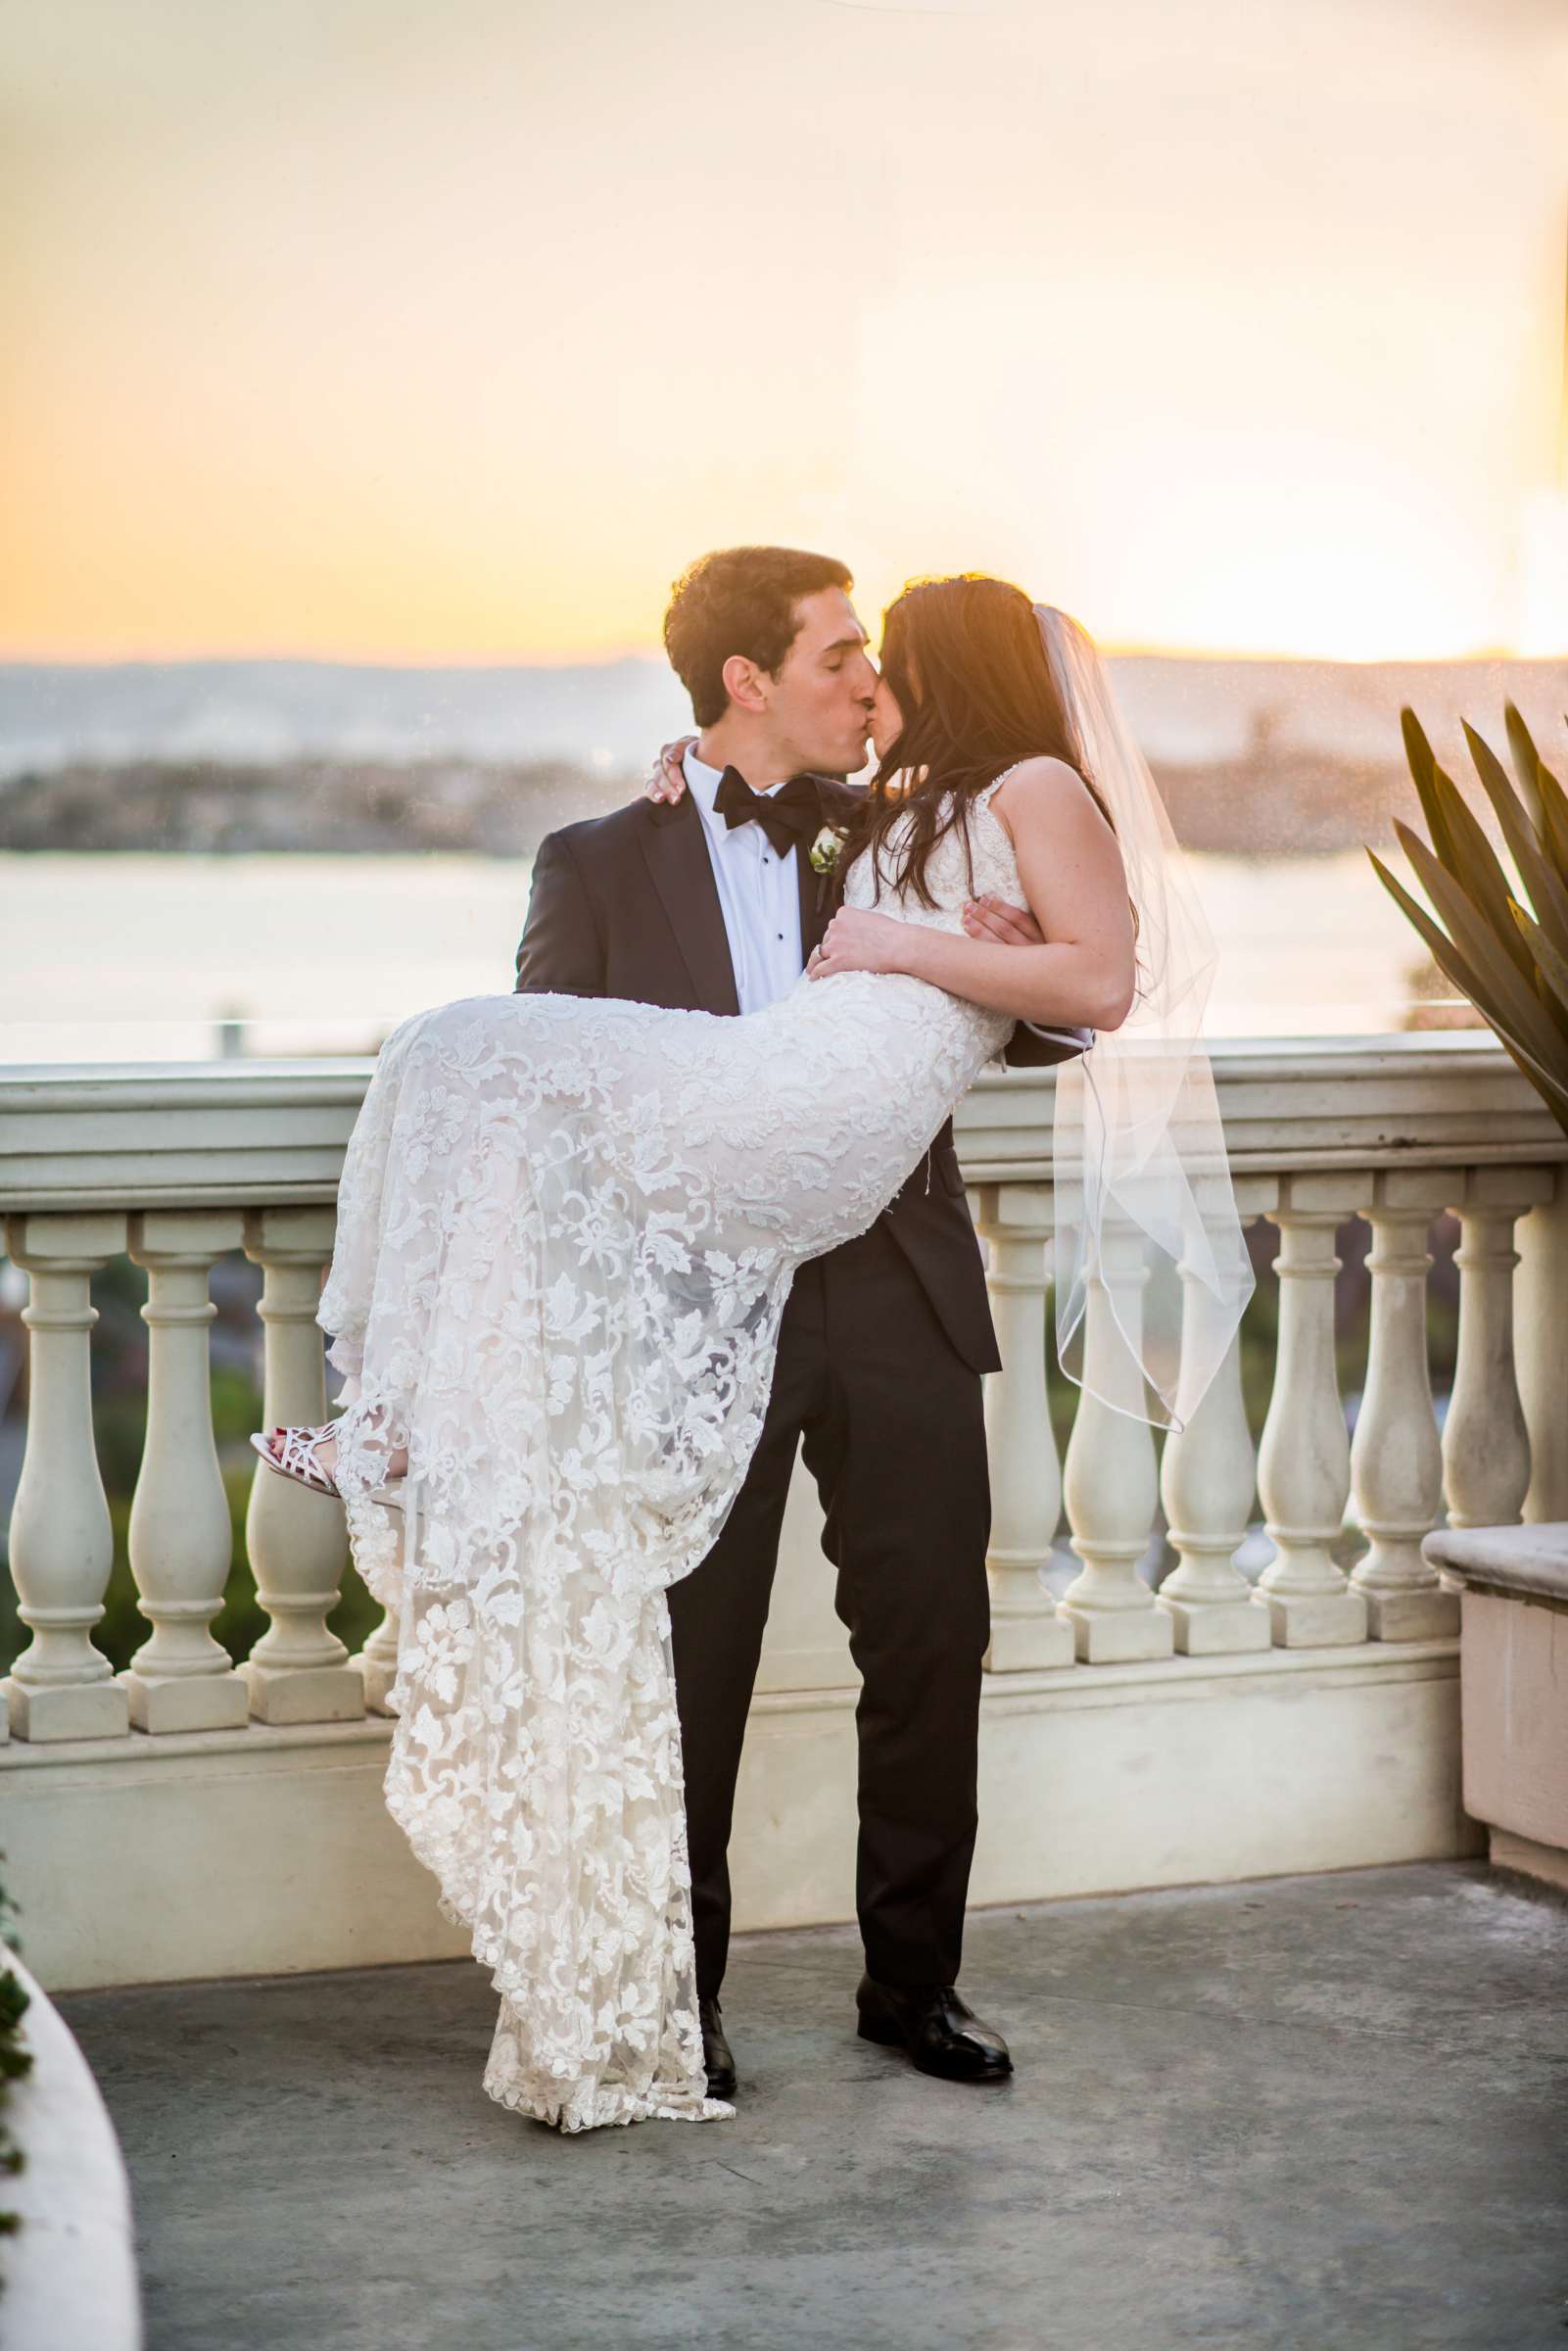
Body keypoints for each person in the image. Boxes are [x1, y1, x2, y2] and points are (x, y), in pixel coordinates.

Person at [253, 562, 1244, 2134]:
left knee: (928, 1646)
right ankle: (678, 2006)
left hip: (894, 1285)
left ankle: (913, 1987)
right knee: (690, 1664)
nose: (864, 680)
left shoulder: (903, 810)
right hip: (700, 1311)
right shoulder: (594, 858)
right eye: (835, 655)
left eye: (872, 656)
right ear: (739, 679)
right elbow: (569, 1110)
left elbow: (1062, 998)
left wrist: (961, 948)